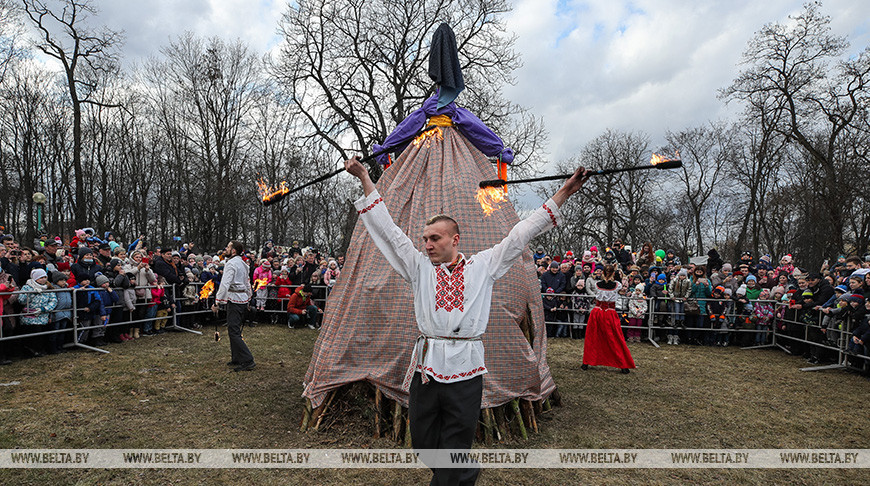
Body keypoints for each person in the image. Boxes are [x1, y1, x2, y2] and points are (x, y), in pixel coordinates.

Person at [345, 155, 589, 486]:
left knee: (453, 450)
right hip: (426, 370)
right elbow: (387, 230)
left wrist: (564, 193)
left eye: (435, 238)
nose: (427, 244)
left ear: (455, 239)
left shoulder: (483, 266)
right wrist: (364, 177)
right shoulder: (418, 268)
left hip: (466, 370)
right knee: (425, 445)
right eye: (425, 238)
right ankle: (468, 472)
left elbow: (521, 233)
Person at [580, 264, 636, 373]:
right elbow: (621, 286)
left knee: (593, 337)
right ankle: (623, 365)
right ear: (613, 273)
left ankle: (586, 362)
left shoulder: (597, 284)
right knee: (615, 338)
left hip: (597, 312)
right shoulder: (617, 285)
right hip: (609, 312)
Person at [212, 240, 255, 372]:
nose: (226, 249)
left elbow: (225, 284)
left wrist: (217, 301)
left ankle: (247, 360)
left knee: (234, 331)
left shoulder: (231, 264)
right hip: (241, 299)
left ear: (234, 251)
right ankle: (236, 357)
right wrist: (248, 298)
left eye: (228, 247)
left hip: (235, 300)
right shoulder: (243, 263)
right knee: (234, 329)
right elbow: (247, 283)